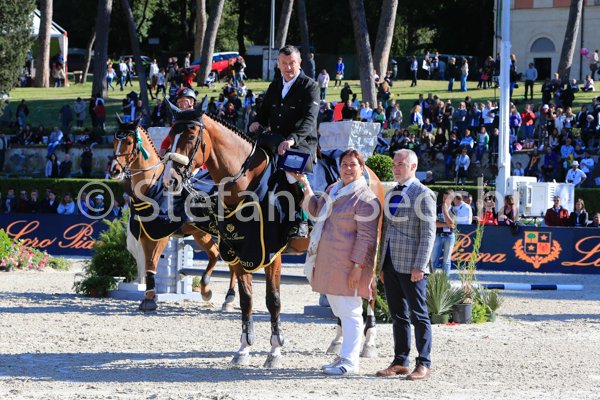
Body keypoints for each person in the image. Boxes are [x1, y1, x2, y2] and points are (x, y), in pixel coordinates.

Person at [297, 149, 380, 376]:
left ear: (361, 168)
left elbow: (366, 238)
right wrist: (305, 184)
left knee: (351, 312)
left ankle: (350, 361)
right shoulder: (333, 189)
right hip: (329, 262)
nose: (348, 168)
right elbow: (316, 211)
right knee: (340, 310)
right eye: (344, 164)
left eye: (353, 165)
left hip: (349, 265)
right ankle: (344, 356)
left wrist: (357, 268)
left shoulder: (366, 198)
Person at [376, 149, 435, 380]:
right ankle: (400, 361)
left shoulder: (424, 194)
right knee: (398, 315)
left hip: (413, 265)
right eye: (394, 164)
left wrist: (420, 265)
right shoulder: (391, 193)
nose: (396, 168)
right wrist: (382, 264)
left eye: (400, 164)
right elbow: (386, 230)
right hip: (391, 263)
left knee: (419, 315)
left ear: (413, 166)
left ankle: (424, 363)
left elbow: (428, 234)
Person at [249, 45, 319, 171]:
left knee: (289, 175)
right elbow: (263, 113)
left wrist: (292, 140)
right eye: (284, 63)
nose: (288, 67)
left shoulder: (310, 87)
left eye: (292, 63)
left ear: (299, 63)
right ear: (278, 64)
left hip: (301, 144)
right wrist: (256, 122)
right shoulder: (274, 86)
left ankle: (304, 185)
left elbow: (310, 119)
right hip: (274, 141)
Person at [159, 87, 197, 156]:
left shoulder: (200, 121)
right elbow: (167, 141)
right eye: (178, 102)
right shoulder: (178, 123)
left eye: (182, 101)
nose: (180, 105)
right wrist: (163, 150)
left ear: (191, 101)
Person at [431, 189, 456, 276]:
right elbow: (435, 224)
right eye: (444, 198)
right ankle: (431, 279)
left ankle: (445, 280)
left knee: (446, 260)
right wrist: (447, 224)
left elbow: (452, 224)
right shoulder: (437, 208)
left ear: (451, 199)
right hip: (438, 235)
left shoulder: (453, 210)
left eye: (447, 199)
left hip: (449, 236)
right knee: (434, 259)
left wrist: (445, 210)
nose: (444, 201)